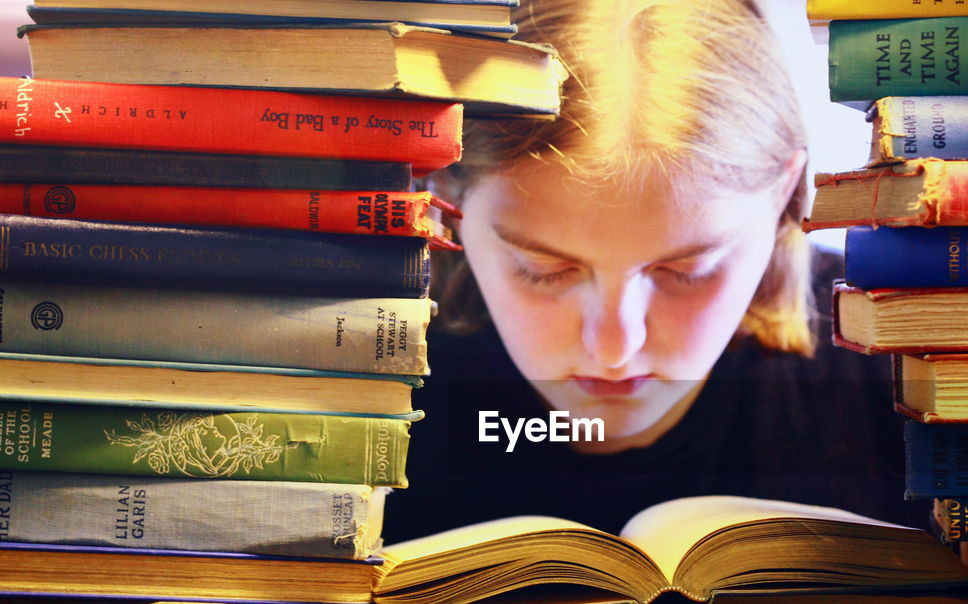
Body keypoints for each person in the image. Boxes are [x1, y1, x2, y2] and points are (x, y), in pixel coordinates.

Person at [380, 0, 920, 543]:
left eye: (688, 270)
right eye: (542, 270)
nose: (614, 347)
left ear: (786, 193)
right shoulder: (359, 377)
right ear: (445, 199)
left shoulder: (912, 362)